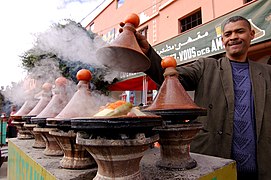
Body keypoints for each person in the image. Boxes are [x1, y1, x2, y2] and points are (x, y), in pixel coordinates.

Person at [128, 16, 271, 180]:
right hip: (215, 162)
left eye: (240, 31)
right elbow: (169, 76)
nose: (233, 37)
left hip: (261, 167)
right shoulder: (206, 66)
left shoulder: (267, 73)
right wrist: (148, 53)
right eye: (228, 34)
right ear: (222, 39)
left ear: (251, 34)